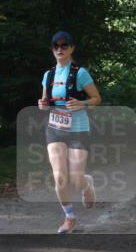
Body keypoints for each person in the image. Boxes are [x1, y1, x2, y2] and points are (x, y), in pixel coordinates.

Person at [38, 31, 101, 233]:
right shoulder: (48, 75)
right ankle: (69, 217)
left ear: (72, 48)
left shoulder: (80, 73)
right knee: (59, 177)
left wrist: (82, 103)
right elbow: (46, 102)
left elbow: (96, 99)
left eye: (64, 45)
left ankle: (86, 184)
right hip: (55, 128)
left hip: (78, 129)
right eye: (56, 46)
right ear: (52, 49)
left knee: (75, 179)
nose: (60, 49)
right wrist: (43, 104)